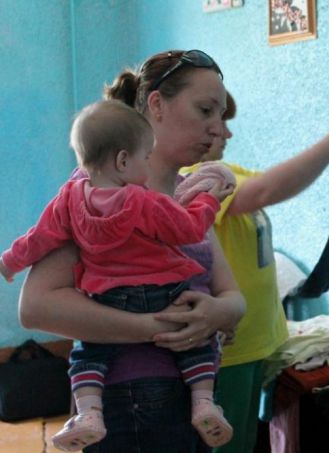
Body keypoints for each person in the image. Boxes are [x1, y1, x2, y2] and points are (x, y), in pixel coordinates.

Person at [17, 49, 246, 453]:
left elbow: (230, 294)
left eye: (221, 116)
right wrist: (155, 327)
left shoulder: (190, 192)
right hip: (129, 403)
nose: (219, 129)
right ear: (156, 104)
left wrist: (218, 313)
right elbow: (36, 307)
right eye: (206, 110)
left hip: (193, 397)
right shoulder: (95, 193)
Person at [181, 91, 329, 453]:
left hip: (256, 341)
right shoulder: (194, 180)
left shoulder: (228, 173)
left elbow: (274, 183)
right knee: (227, 446)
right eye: (214, 118)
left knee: (246, 442)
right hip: (230, 350)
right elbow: (266, 190)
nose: (227, 133)